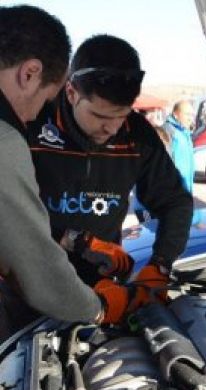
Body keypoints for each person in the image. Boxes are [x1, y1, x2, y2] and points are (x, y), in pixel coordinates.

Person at [28, 35, 193, 302]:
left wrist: (160, 264)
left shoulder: (137, 134)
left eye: (122, 115)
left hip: (101, 286)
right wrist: (74, 239)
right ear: (71, 93)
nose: (112, 128)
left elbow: (175, 202)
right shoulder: (35, 121)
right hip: (28, 283)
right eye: (100, 116)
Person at [0, 6, 130, 336]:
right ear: (29, 73)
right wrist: (98, 308)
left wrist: (69, 238)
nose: (34, 118)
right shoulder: (4, 139)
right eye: (46, 101)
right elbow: (35, 270)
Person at [165, 100, 206, 229]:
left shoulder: (184, 132)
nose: (191, 118)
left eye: (192, 114)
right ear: (175, 114)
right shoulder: (169, 131)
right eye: (187, 114)